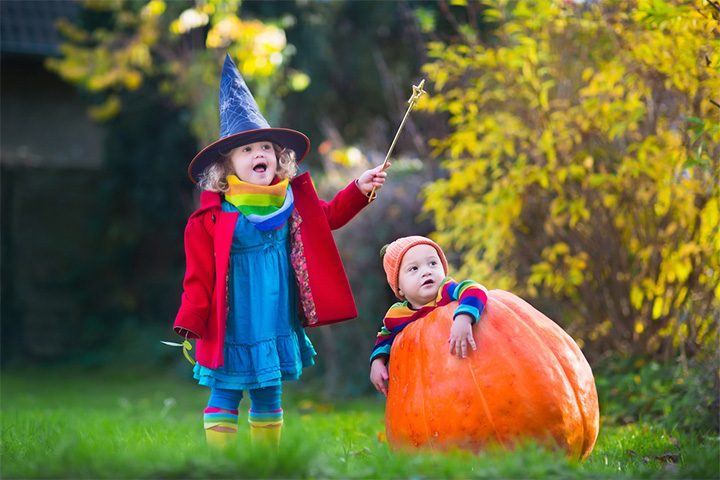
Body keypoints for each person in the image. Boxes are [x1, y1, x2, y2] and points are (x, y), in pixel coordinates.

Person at [173, 54, 388, 450]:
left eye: (266, 148)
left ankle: (264, 465)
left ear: (278, 158)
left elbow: (329, 218)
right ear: (228, 167)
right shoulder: (211, 217)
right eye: (247, 150)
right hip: (234, 318)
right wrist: (192, 318)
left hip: (274, 315)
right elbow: (198, 275)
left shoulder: (289, 203)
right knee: (226, 391)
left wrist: (358, 188)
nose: (259, 155)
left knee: (269, 392)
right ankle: (222, 466)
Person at [369, 236, 489, 396]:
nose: (427, 271)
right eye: (414, 269)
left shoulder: (446, 291)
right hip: (428, 385)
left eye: (433, 263)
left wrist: (464, 317)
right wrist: (377, 362)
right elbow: (385, 337)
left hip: (464, 370)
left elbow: (475, 289)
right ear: (399, 288)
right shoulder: (397, 315)